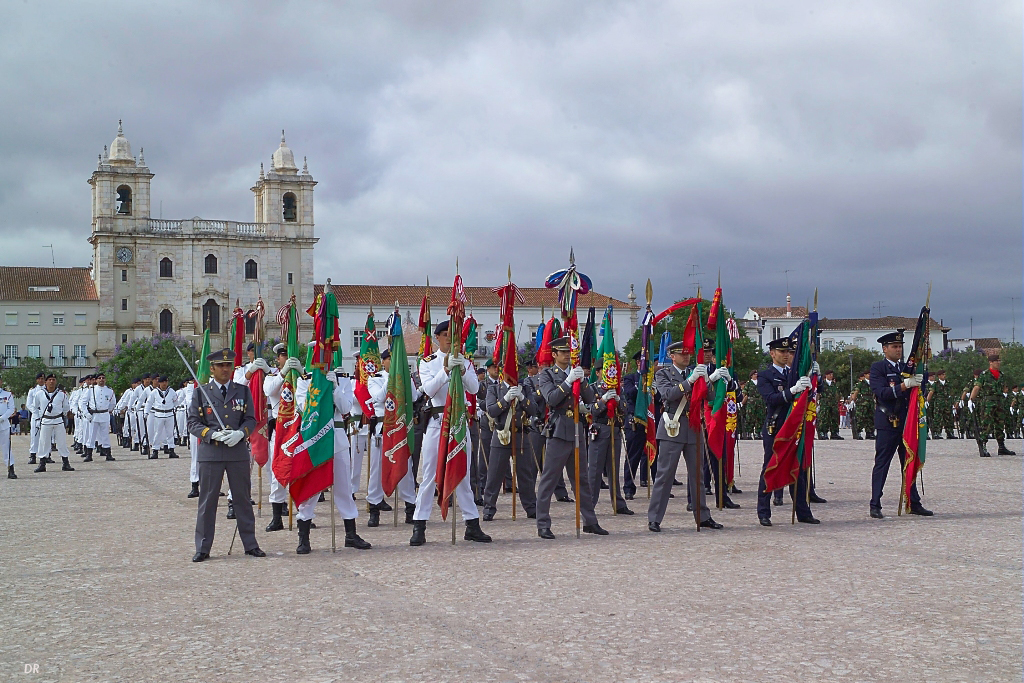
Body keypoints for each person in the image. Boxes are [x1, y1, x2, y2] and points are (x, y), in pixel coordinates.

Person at [409, 320, 491, 545]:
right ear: (437, 338)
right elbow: (428, 389)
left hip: (459, 422)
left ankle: (471, 524)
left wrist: (462, 369)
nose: (449, 339)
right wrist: (446, 370)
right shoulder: (427, 362)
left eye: (452, 335)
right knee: (429, 476)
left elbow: (474, 389)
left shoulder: (465, 361)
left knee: (463, 474)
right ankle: (419, 524)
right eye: (444, 335)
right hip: (437, 422)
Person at [187, 348, 265, 562]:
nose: (225, 369)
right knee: (208, 501)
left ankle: (250, 544)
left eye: (228, 365)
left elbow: (250, 419)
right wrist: (213, 434)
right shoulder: (201, 392)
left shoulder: (242, 391)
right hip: (211, 452)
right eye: (221, 365)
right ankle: (203, 547)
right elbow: (193, 423)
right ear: (211, 369)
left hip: (237, 451)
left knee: (242, 500)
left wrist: (241, 433)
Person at [290, 360, 372, 553]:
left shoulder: (341, 378)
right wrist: (318, 386)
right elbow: (303, 408)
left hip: (337, 438)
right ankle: (304, 537)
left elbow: (345, 408)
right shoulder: (305, 380)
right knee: (312, 488)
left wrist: (334, 387)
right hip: (315, 440)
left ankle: (351, 534)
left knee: (344, 488)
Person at [535, 336, 608, 539]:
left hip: (576, 428)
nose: (567, 355)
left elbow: (589, 399)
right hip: (558, 430)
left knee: (581, 480)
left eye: (569, 351)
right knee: (549, 480)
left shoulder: (576, 372)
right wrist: (568, 382)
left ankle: (590, 521)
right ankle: (543, 523)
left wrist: (582, 381)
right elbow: (551, 398)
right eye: (563, 352)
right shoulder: (547, 375)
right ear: (555, 354)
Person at [646, 341, 721, 532]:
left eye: (688, 353)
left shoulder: (693, 372)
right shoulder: (663, 373)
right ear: (672, 356)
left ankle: (702, 515)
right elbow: (668, 394)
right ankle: (654, 518)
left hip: (693, 426)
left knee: (698, 475)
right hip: (673, 425)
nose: (686, 357)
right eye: (682, 354)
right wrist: (690, 382)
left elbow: (709, 397)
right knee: (665, 475)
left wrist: (709, 380)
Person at [868, 331, 934, 518]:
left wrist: (921, 375)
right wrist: (905, 385)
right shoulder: (878, 368)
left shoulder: (908, 367)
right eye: (894, 347)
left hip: (907, 423)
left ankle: (913, 502)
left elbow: (917, 393)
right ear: (884, 348)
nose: (898, 349)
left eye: (900, 346)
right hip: (887, 422)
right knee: (882, 463)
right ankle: (875, 504)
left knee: (909, 462)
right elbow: (882, 393)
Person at [756, 337, 819, 526]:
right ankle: (764, 512)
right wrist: (792, 390)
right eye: (781, 352)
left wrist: (815, 377)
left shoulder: (795, 373)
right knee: (770, 467)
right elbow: (771, 398)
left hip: (795, 428)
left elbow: (814, 391)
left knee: (798, 469)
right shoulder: (765, 375)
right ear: (772, 353)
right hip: (776, 427)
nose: (786, 355)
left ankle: (803, 511)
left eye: (789, 352)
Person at [366, 349, 420, 526]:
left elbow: (413, 397)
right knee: (377, 470)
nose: (394, 362)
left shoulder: (405, 377)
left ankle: (410, 507)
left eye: (397, 359)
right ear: (384, 362)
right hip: (383, 428)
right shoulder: (375, 378)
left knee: (405, 467)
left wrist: (404, 378)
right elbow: (378, 397)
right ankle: (374, 507)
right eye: (391, 359)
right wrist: (392, 377)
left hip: (400, 426)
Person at [482, 369, 539, 520]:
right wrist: (506, 399)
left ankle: (531, 507)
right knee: (494, 474)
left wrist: (522, 398)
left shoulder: (525, 388)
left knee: (525, 474)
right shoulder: (494, 389)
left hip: (521, 434)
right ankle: (488, 508)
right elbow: (492, 410)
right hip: (502, 434)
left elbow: (534, 409)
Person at [586, 378, 633, 515]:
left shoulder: (618, 389)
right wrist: (603, 401)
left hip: (615, 430)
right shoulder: (593, 388)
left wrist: (618, 400)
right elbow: (591, 410)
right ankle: (590, 504)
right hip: (599, 430)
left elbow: (625, 408)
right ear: (600, 372)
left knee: (614, 470)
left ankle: (618, 503)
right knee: (594, 470)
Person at [968, 352, 1015, 457]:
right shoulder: (984, 375)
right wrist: (971, 399)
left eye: (999, 361)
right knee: (986, 425)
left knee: (999, 424)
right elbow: (977, 387)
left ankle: (1001, 446)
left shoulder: (1001, 375)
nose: (998, 363)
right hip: (988, 402)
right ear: (990, 362)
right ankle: (983, 445)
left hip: (999, 402)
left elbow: (1004, 388)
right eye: (996, 361)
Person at [31, 374, 75, 473]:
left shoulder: (61, 394)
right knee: (44, 442)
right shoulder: (39, 394)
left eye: (53, 380)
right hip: (46, 420)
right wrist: (38, 418)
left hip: (58, 420)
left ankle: (65, 462)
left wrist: (62, 414)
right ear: (46, 382)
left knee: (62, 442)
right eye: (49, 380)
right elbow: (34, 407)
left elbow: (66, 407)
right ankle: (42, 463)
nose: (51, 381)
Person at [85, 373, 116, 462]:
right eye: (99, 378)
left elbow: (113, 403)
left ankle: (108, 454)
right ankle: (89, 454)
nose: (101, 379)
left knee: (105, 435)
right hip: (94, 415)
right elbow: (83, 403)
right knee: (91, 435)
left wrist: (107, 410)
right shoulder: (91, 390)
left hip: (104, 415)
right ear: (96, 380)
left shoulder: (110, 391)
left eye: (103, 378)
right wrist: (87, 414)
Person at [145, 376, 179, 458]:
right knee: (157, 433)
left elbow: (176, 402)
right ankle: (155, 450)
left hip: (169, 414)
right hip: (159, 414)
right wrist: (146, 412)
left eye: (166, 382)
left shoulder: (171, 391)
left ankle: (171, 450)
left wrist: (175, 409)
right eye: (162, 382)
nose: (164, 384)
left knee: (170, 433)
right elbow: (149, 402)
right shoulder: (155, 392)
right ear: (159, 383)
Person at [926, 369, 955, 439]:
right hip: (939, 403)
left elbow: (951, 393)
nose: (944, 376)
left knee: (949, 418)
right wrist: (927, 401)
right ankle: (937, 433)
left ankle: (950, 432)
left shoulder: (948, 383)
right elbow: (931, 393)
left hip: (947, 403)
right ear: (939, 376)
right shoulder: (936, 384)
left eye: (944, 374)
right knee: (938, 418)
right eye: (942, 374)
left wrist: (953, 403)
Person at [817, 371, 843, 439]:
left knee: (834, 418)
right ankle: (823, 433)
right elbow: (818, 393)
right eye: (830, 374)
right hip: (825, 403)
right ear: (826, 375)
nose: (831, 376)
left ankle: (834, 433)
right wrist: (816, 402)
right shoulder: (822, 384)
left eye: (832, 374)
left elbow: (838, 394)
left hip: (833, 403)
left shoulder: (834, 385)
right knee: (824, 418)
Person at [27, 372, 45, 464]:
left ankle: (47, 455)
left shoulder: (48, 390)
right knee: (34, 435)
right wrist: (36, 413)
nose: (41, 380)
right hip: (35, 414)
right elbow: (29, 404)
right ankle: (33, 455)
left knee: (46, 436)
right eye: (39, 379)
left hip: (46, 415)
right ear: (37, 380)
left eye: (42, 378)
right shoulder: (32, 391)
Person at [851, 371, 874, 440]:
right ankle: (858, 432)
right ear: (865, 375)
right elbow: (856, 392)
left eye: (870, 374)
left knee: (870, 418)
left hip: (870, 401)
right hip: (862, 402)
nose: (869, 375)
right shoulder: (861, 383)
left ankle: (869, 433)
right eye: (868, 374)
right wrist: (854, 400)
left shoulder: (872, 383)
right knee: (860, 418)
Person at [0, 377, 15, 479]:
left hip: (3, 424)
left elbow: (11, 409)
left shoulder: (7, 395)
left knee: (6, 448)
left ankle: (11, 469)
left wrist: (2, 418)